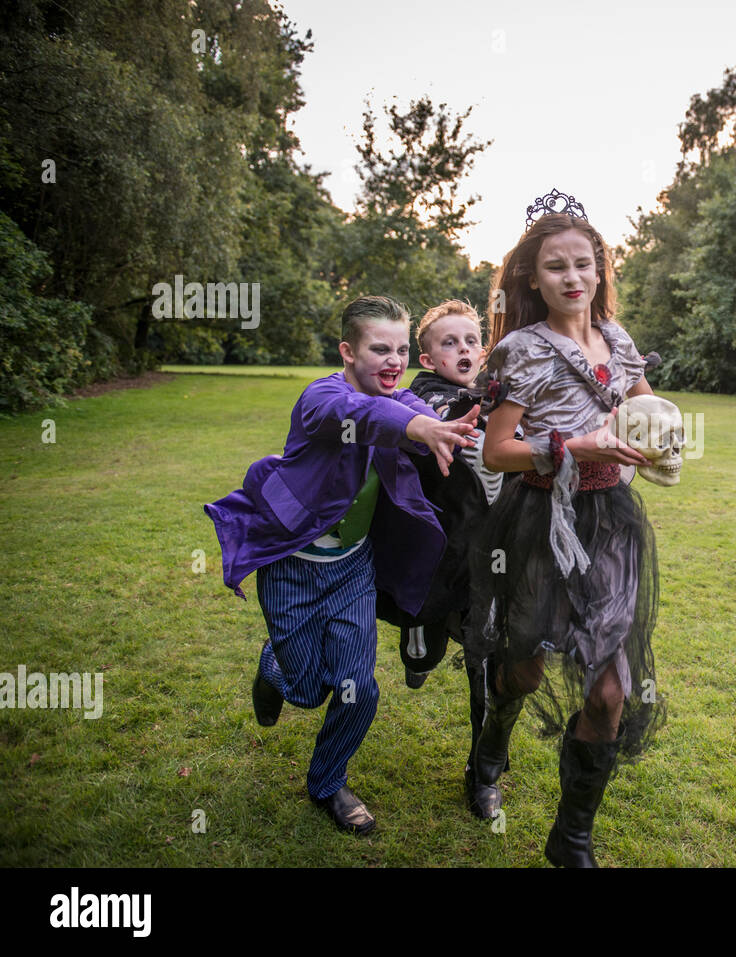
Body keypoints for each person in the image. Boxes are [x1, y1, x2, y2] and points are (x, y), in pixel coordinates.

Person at [203, 295, 479, 835]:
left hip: (353, 570)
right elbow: (361, 415)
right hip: (292, 564)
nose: (394, 360)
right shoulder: (321, 398)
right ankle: (274, 667)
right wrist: (418, 427)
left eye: (401, 349)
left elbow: (438, 421)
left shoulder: (402, 401)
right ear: (348, 351)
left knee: (359, 689)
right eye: (380, 349)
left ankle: (328, 783)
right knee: (306, 688)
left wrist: (506, 432)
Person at [464, 190, 666, 867]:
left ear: (602, 269)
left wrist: (664, 440)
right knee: (523, 670)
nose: (573, 278)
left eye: (585, 264)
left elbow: (647, 412)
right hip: (540, 519)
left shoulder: (619, 339)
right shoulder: (520, 349)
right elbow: (496, 452)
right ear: (530, 276)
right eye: (556, 267)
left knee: (610, 689)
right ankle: (491, 746)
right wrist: (575, 447)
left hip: (611, 521)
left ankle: (570, 838)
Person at [374, 299, 502, 691]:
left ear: (482, 353)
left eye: (470, 341)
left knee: (478, 614)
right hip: (434, 525)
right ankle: (418, 643)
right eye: (450, 343)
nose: (462, 349)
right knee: (425, 629)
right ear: (428, 360)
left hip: (478, 530)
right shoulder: (426, 391)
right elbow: (445, 414)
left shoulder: (492, 392)